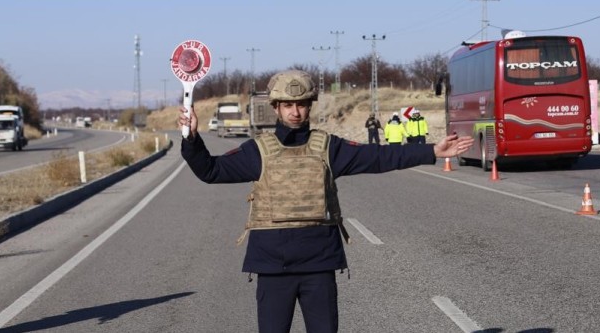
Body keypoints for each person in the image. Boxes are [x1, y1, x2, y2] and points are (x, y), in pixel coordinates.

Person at [179, 70, 472, 333]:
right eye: (288, 105)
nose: (295, 112)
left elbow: (379, 157)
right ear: (276, 107)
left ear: (310, 106)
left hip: (318, 264)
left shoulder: (329, 147)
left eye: (302, 104)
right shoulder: (257, 151)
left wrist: (431, 151)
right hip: (273, 266)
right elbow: (210, 170)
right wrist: (191, 139)